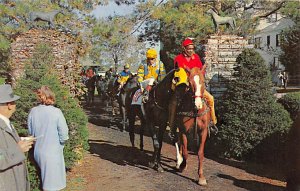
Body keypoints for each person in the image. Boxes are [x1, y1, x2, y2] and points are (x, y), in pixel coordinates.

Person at [168, 38, 218, 140]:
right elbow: (178, 72)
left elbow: (200, 72)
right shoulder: (178, 58)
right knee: (173, 104)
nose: (191, 50)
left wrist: (200, 78)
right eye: (188, 48)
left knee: (211, 98)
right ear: (184, 48)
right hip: (184, 87)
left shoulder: (196, 58)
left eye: (192, 48)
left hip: (197, 86)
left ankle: (213, 123)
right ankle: (172, 128)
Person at [28, 86, 69, 191]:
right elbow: (64, 134)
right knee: (51, 186)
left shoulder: (33, 111)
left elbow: (31, 133)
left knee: (46, 181)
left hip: (38, 151)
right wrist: (61, 144)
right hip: (52, 152)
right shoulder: (56, 112)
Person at [0, 84, 33, 191]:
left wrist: (19, 141)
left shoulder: (6, 122)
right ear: (9, 105)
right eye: (14, 102)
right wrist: (18, 149)